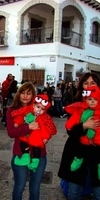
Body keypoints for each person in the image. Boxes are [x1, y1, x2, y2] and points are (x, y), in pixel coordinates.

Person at [6, 82, 56, 200]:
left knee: (35, 188)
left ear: (33, 95)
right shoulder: (12, 110)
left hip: (39, 154)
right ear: (18, 94)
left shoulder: (40, 108)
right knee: (19, 186)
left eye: (28, 93)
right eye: (22, 93)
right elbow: (11, 132)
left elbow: (48, 128)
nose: (25, 96)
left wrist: (45, 138)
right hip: (20, 153)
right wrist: (28, 127)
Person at [58, 72, 100, 200]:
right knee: (74, 191)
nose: (88, 86)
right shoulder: (77, 104)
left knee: (98, 190)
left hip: (96, 153)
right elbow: (70, 130)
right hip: (77, 151)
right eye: (86, 83)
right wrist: (84, 125)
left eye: (92, 83)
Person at [11, 93, 56, 171]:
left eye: (42, 109)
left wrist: (46, 137)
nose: (39, 110)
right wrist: (16, 123)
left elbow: (45, 129)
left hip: (36, 136)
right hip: (26, 136)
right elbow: (20, 117)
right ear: (33, 105)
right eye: (38, 107)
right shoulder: (28, 113)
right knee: (23, 142)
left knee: (36, 148)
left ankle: (35, 162)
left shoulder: (43, 118)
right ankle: (25, 157)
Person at [64, 85, 100, 173]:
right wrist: (84, 125)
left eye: (95, 99)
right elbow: (71, 126)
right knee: (81, 148)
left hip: (97, 141)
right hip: (82, 140)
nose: (92, 102)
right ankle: (78, 159)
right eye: (90, 99)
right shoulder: (81, 109)